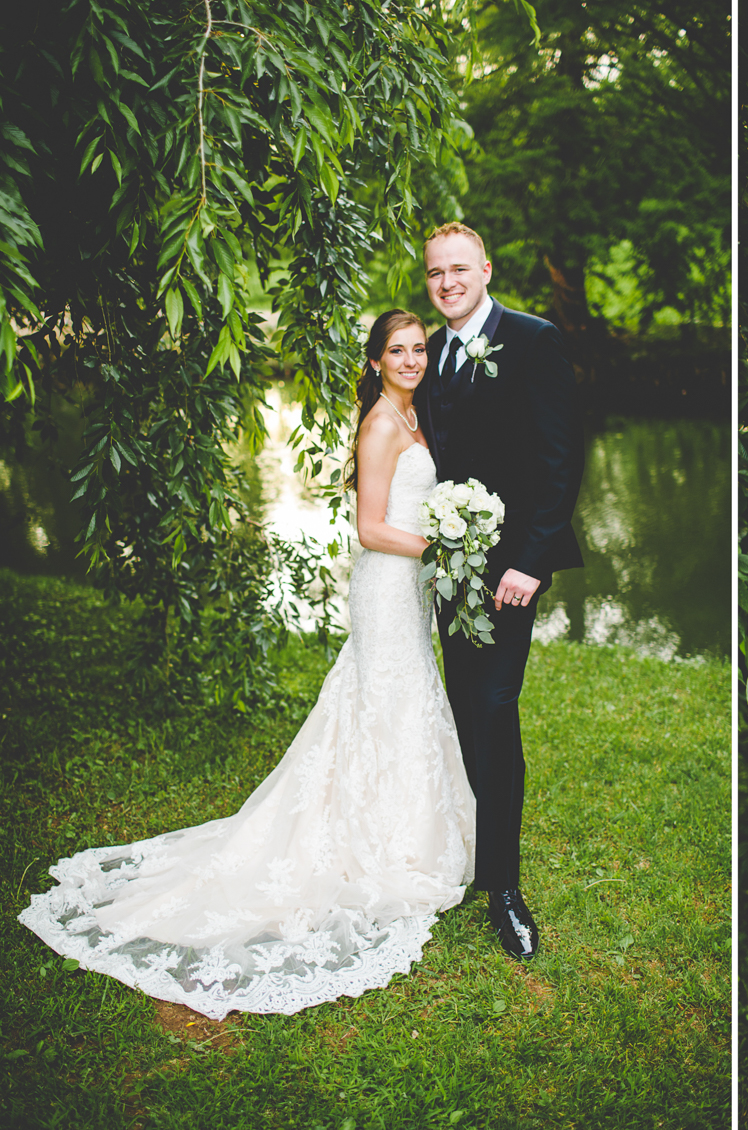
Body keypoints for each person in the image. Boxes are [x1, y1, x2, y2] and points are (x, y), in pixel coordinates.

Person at [17, 310, 477, 1021]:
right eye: (398, 350)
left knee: (401, 695)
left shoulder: (414, 415)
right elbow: (370, 527)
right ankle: (378, 838)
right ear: (376, 359)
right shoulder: (382, 425)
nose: (412, 359)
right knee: (386, 693)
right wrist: (442, 547)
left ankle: (404, 825)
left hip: (407, 587)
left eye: (419, 349)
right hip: (388, 583)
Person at [415, 222, 584, 960]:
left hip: (510, 570)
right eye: (434, 274)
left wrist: (532, 562)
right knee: (460, 707)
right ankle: (471, 853)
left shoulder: (533, 339)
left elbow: (560, 457)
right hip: (448, 567)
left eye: (459, 269)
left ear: (485, 269)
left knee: (493, 707)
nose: (447, 282)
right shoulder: (427, 349)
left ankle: (504, 888)